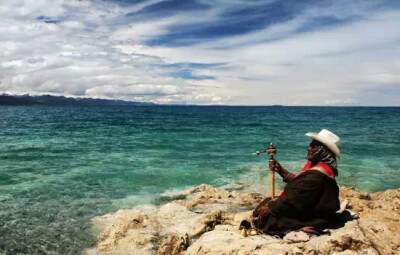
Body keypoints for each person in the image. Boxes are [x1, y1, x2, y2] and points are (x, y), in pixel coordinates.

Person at [251, 129, 342, 236]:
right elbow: (299, 184)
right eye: (310, 145)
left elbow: (294, 199)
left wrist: (270, 208)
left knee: (265, 220)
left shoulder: (315, 177)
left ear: (323, 151)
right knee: (268, 204)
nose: (309, 148)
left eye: (313, 146)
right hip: (315, 210)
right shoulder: (321, 169)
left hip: (313, 215)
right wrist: (280, 170)